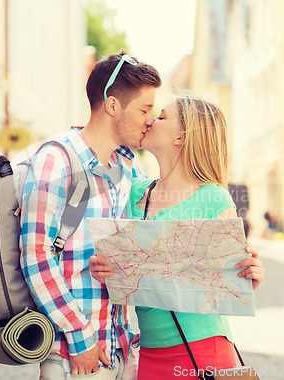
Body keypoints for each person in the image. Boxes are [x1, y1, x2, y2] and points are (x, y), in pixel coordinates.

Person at [90, 96, 265, 379]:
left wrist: (250, 275)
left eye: (161, 117)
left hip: (203, 349)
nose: (150, 120)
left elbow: (232, 279)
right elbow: (125, 268)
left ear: (182, 137)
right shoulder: (134, 193)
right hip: (148, 350)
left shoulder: (213, 197)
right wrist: (105, 270)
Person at [19, 50, 161, 380]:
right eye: (144, 109)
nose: (150, 119)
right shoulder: (58, 160)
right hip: (77, 356)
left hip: (121, 348)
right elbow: (35, 254)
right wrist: (80, 337)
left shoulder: (128, 168)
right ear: (113, 106)